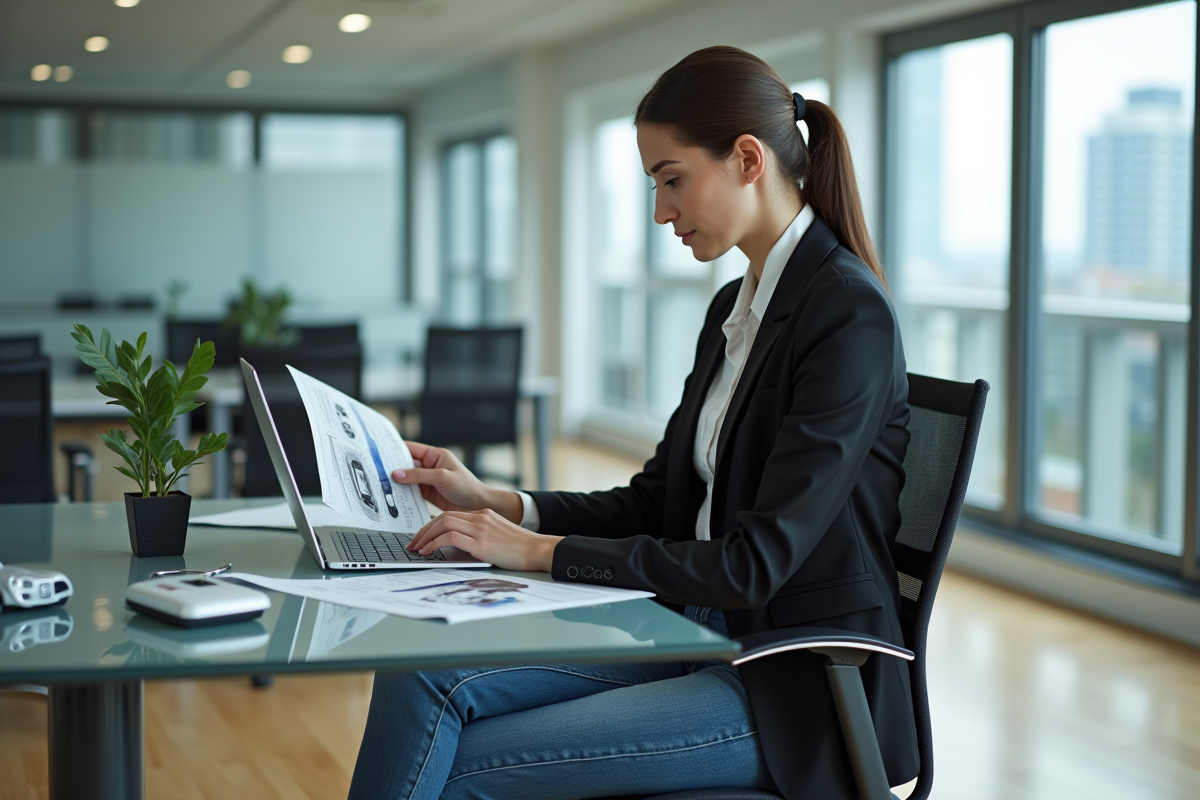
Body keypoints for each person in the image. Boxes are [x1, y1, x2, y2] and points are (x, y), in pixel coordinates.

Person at [349, 45, 918, 800]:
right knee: (421, 677)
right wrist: (499, 504)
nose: (661, 212)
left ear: (748, 160)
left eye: (672, 180)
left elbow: (753, 567)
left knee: (467, 769)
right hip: (691, 627)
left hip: (788, 685)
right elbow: (658, 502)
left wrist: (540, 552)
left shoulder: (846, 314)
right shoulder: (736, 308)